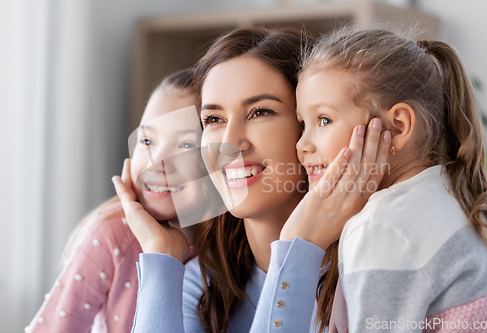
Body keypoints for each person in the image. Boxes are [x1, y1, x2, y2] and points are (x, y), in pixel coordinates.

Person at [112, 27, 389, 333]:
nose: (229, 143)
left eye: (260, 112)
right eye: (214, 119)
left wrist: (299, 248)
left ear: (308, 125)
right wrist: (161, 256)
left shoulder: (372, 272)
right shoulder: (202, 284)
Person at [254, 28, 487, 333]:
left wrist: (293, 241)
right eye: (304, 124)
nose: (302, 145)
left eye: (324, 120)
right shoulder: (452, 195)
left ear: (396, 127)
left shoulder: (383, 228)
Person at [27, 69, 202, 333]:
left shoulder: (233, 241)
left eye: (187, 145)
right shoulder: (113, 235)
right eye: (147, 140)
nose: (157, 163)